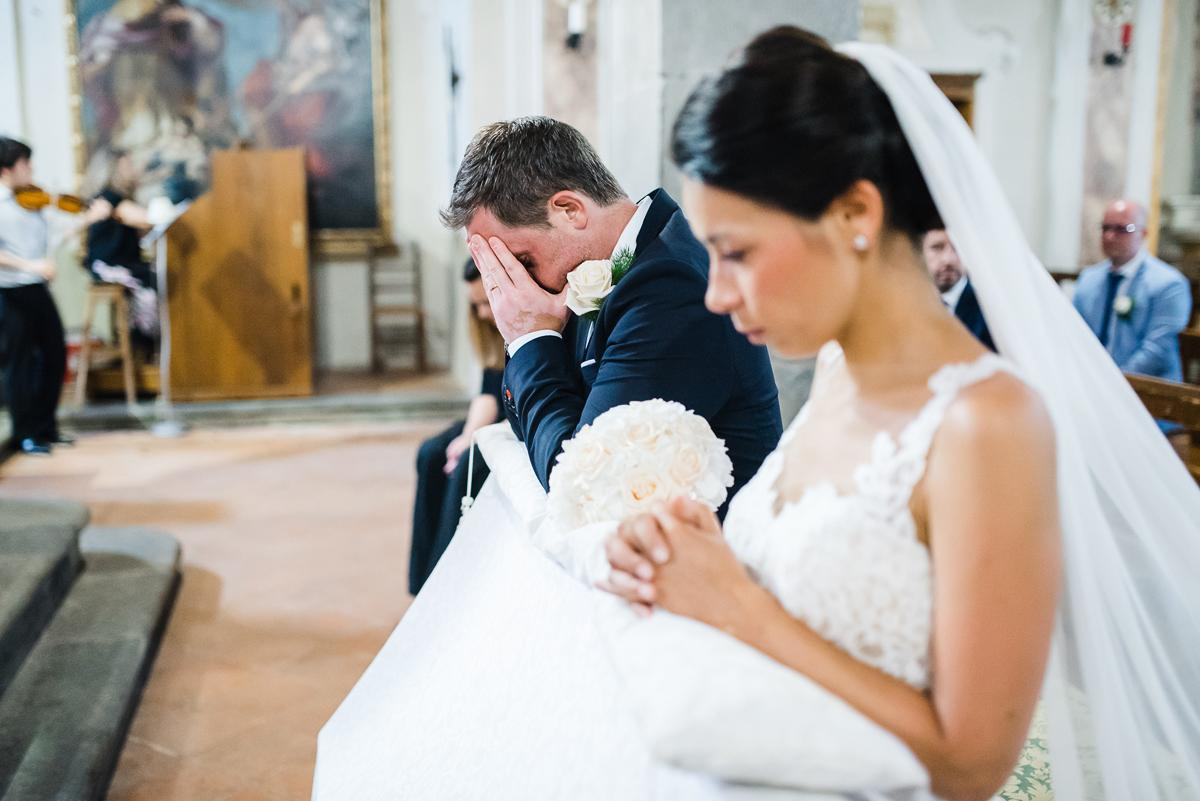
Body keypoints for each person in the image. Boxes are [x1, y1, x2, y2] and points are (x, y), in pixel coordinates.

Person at [314, 30, 1200, 801]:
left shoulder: (989, 424)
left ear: (855, 213)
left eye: (734, 252)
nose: (717, 292)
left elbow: (969, 762)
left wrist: (735, 601)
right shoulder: (846, 374)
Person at [443, 117, 782, 510]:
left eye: (522, 261)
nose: (518, 286)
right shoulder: (617, 263)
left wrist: (530, 338)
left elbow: (577, 483)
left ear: (570, 210)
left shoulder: (671, 287)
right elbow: (528, 430)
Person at [407, 259, 507, 595]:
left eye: (485, 303)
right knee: (431, 453)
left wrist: (471, 443)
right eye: (474, 305)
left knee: (468, 464)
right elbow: (489, 394)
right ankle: (422, 586)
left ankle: (443, 587)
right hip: (497, 411)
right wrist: (467, 435)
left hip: (518, 420)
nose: (481, 314)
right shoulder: (493, 332)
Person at [0, 138, 105, 456]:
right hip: (11, 292)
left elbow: (56, 232)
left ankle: (47, 428)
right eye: (25, 164)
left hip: (36, 288)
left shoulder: (31, 200)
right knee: (19, 364)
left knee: (54, 357)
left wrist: (88, 218)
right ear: (7, 169)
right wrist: (30, 264)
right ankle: (25, 433)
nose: (31, 169)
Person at [1071, 199, 1191, 381]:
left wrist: (1116, 382)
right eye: (1105, 228)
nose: (1109, 236)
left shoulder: (1169, 284)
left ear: (1143, 233)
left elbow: (1157, 350)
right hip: (1091, 381)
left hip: (1149, 389)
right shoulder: (1089, 279)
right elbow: (1075, 334)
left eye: (1121, 229)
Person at [85, 150, 160, 347]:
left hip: (122, 261)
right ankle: (144, 342)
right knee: (151, 281)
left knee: (156, 273)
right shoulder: (109, 198)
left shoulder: (116, 199)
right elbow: (145, 219)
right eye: (127, 166)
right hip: (108, 265)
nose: (132, 170)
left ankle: (144, 341)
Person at [921, 228, 994, 350]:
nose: (948, 260)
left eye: (957, 248)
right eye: (937, 248)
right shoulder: (909, 302)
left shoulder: (988, 309)